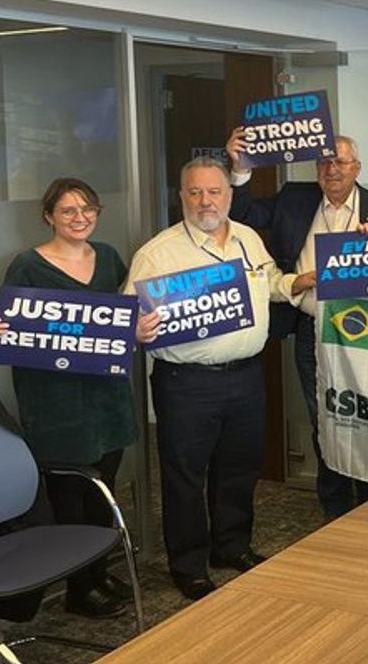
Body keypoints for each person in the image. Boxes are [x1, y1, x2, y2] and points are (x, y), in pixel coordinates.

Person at [127, 157, 310, 600]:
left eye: (214, 191)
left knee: (239, 468)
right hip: (187, 383)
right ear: (182, 197)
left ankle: (231, 546)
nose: (205, 201)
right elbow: (128, 317)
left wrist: (296, 282)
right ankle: (188, 565)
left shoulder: (247, 238)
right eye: (195, 192)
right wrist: (136, 329)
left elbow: (269, 282)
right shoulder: (157, 253)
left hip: (245, 377)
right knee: (185, 475)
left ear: (229, 195)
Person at [0, 178, 155, 618]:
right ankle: (79, 588)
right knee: (68, 496)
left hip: (106, 397)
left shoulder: (109, 257)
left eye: (88, 209)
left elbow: (122, 316)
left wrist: (136, 331)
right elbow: (7, 324)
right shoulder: (27, 265)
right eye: (68, 211)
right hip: (54, 401)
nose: (80, 218)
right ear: (49, 217)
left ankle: (98, 572)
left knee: (102, 490)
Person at [226, 130, 368, 519]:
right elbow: (242, 214)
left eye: (340, 161)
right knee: (325, 420)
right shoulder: (294, 198)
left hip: (367, 336)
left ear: (357, 168)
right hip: (312, 330)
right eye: (324, 162)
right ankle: (335, 510)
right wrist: (240, 168)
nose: (331, 169)